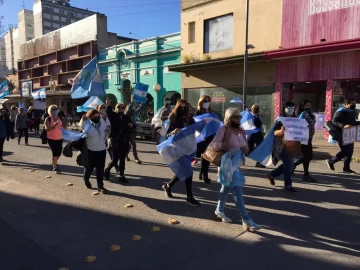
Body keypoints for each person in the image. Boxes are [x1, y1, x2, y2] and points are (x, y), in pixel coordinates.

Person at [212, 108, 262, 231]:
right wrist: (223, 145)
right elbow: (214, 144)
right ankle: (246, 220)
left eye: (239, 117)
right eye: (235, 117)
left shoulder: (241, 131)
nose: (238, 119)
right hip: (226, 164)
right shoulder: (224, 129)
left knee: (226, 187)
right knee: (237, 191)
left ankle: (219, 209)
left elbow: (244, 145)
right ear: (229, 118)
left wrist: (245, 149)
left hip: (236, 164)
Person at [162, 99, 200, 207]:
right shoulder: (172, 118)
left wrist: (203, 123)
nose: (183, 109)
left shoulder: (190, 118)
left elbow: (196, 128)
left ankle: (168, 186)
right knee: (189, 171)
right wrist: (173, 132)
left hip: (188, 148)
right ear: (177, 107)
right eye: (181, 107)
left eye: (185, 107)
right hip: (177, 149)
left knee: (183, 171)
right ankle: (189, 197)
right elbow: (165, 135)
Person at [267, 101, 298, 192]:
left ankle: (272, 174)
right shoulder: (280, 120)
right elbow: (275, 132)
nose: (291, 110)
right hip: (282, 145)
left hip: (292, 145)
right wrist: (281, 131)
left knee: (289, 165)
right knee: (289, 165)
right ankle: (288, 185)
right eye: (289, 108)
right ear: (284, 109)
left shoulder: (295, 119)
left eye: (292, 108)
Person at [80, 109, 110, 193]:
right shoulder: (87, 123)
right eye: (95, 117)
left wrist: (108, 130)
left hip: (102, 149)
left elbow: (108, 125)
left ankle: (100, 186)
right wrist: (83, 120)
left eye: (98, 116)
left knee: (100, 169)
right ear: (90, 117)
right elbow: (82, 127)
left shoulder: (102, 122)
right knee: (89, 168)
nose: (97, 118)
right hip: (91, 150)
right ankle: (86, 179)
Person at [326, 98, 358, 174]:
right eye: (352, 104)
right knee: (346, 150)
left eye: (354, 103)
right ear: (346, 104)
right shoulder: (341, 111)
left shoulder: (352, 111)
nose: (353, 105)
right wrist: (343, 126)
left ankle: (346, 168)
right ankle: (331, 161)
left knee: (350, 151)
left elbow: (352, 121)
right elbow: (334, 121)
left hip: (350, 133)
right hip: (341, 133)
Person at [105, 100, 134, 182]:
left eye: (122, 107)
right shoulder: (113, 115)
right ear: (116, 108)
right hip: (115, 140)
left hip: (124, 141)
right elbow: (109, 112)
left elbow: (133, 126)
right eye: (119, 107)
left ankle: (121, 175)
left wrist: (132, 125)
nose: (121, 109)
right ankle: (107, 170)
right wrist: (109, 105)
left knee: (122, 158)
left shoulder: (126, 117)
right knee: (115, 159)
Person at [293, 100, 316, 182]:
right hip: (303, 138)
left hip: (309, 137)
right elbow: (300, 124)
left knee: (309, 156)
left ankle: (293, 165)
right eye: (307, 105)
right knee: (307, 156)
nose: (309, 106)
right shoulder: (302, 114)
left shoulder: (310, 114)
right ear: (302, 106)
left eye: (309, 105)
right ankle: (306, 175)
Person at [195, 95, 213, 183]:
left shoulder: (210, 111)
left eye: (208, 101)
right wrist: (202, 122)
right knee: (205, 156)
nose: (207, 103)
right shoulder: (198, 112)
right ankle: (205, 175)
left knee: (207, 156)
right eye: (205, 101)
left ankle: (202, 173)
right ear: (201, 102)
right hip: (202, 137)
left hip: (210, 136)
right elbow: (195, 125)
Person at [44, 105, 63, 174]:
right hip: (51, 139)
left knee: (59, 152)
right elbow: (47, 129)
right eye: (53, 109)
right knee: (55, 153)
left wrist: (66, 122)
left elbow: (64, 128)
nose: (56, 110)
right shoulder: (48, 119)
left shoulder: (60, 118)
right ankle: (55, 168)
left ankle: (54, 162)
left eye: (56, 109)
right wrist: (54, 125)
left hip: (60, 138)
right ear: (50, 111)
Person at [247, 104, 266, 168]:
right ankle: (239, 159)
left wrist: (262, 131)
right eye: (254, 109)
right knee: (249, 149)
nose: (255, 110)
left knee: (261, 148)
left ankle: (259, 162)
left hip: (258, 134)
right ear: (251, 109)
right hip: (252, 134)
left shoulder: (259, 116)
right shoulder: (249, 116)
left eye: (257, 109)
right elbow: (249, 125)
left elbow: (260, 124)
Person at [125, 96, 142, 164]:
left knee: (129, 145)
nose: (132, 108)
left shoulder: (134, 113)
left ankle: (125, 154)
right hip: (128, 132)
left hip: (133, 131)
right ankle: (136, 157)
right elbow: (129, 109)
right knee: (133, 144)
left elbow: (140, 108)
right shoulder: (126, 114)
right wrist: (132, 101)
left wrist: (143, 101)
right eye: (129, 107)